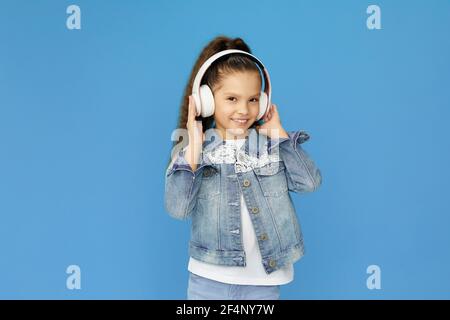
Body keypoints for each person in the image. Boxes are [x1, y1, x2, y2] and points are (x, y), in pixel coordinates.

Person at [164, 35, 322, 300]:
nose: (244, 110)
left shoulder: (271, 147)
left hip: (263, 281)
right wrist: (193, 146)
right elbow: (178, 209)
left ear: (262, 101)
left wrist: (280, 135)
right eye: (232, 99)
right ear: (207, 100)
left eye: (252, 100)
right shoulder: (195, 152)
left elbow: (309, 183)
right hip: (208, 280)